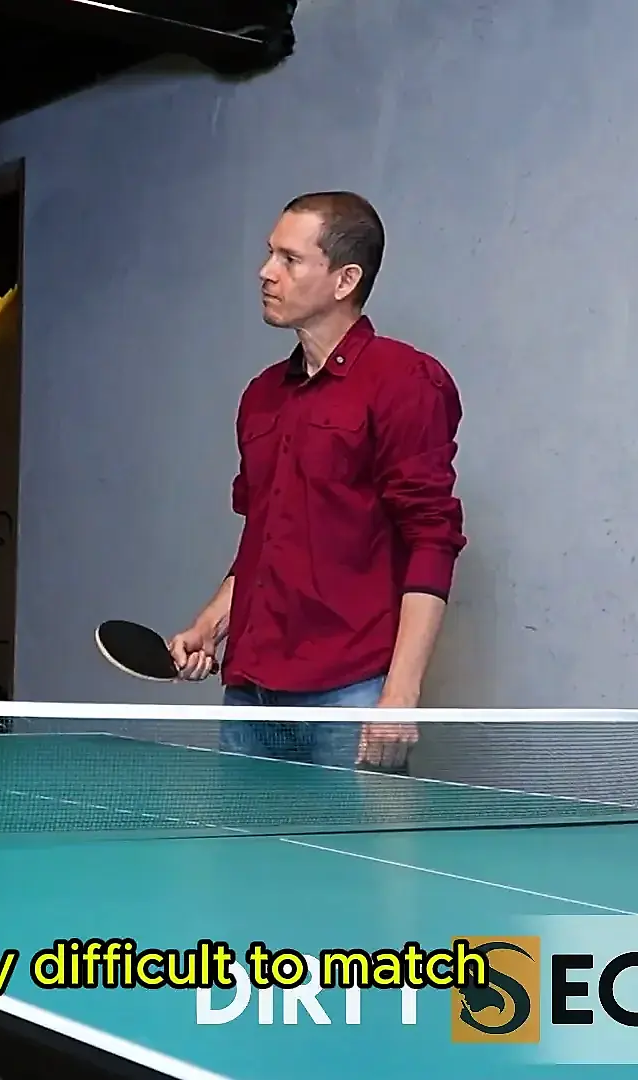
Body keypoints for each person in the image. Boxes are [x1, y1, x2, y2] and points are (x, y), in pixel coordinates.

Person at [167, 191, 466, 774]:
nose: (266, 271)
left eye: (289, 259)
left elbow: (432, 541)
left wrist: (399, 697)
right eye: (269, 253)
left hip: (349, 697)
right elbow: (266, 540)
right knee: (244, 840)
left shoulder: (405, 381)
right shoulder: (260, 396)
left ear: (344, 279)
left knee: (351, 841)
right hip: (249, 695)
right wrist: (210, 624)